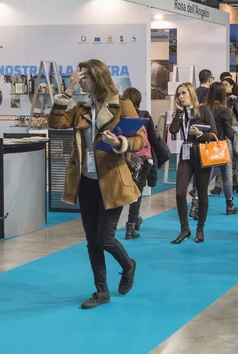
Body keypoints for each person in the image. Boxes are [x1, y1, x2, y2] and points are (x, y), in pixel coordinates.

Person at [48, 59, 143, 309]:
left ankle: (128, 264)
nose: (80, 80)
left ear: (97, 77)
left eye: (84, 76)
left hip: (113, 182)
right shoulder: (81, 108)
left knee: (105, 238)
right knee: (92, 240)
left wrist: (120, 143)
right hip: (86, 182)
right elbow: (55, 123)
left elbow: (140, 141)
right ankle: (101, 291)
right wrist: (67, 92)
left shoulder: (123, 105)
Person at [169, 82, 218, 244]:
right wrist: (179, 112)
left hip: (202, 153)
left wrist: (200, 134)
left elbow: (214, 135)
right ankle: (185, 229)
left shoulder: (204, 110)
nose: (180, 97)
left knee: (202, 193)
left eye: (183, 93)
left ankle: (200, 229)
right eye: (178, 94)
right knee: (180, 192)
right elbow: (173, 130)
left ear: (191, 93)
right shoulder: (181, 112)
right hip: (186, 153)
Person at [121, 88, 158, 239]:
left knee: (125, 191)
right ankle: (131, 225)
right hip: (143, 159)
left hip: (126, 159)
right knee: (138, 192)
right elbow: (154, 139)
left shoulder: (120, 116)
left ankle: (134, 220)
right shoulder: (144, 116)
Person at [204, 82, 238, 215]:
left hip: (206, 146)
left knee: (204, 177)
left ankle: (196, 203)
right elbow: (229, 133)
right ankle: (229, 205)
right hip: (222, 146)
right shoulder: (224, 110)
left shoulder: (204, 108)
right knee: (227, 177)